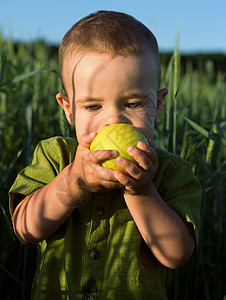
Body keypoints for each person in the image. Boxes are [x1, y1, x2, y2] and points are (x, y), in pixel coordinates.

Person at [9, 10, 202, 299]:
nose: (114, 121)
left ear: (158, 105)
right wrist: (74, 180)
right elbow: (24, 229)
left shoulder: (170, 172)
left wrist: (142, 191)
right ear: (68, 109)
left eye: (133, 103)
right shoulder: (55, 156)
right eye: (93, 107)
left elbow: (176, 254)